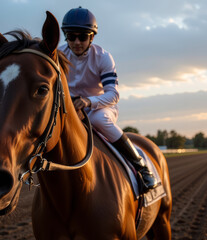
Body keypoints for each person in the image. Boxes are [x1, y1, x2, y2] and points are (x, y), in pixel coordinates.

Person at [58, 7, 158, 192]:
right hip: (70, 108)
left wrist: (88, 101)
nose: (77, 42)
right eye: (71, 37)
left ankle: (141, 167)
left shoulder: (103, 57)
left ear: (92, 38)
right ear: (66, 37)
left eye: (83, 37)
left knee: (97, 120)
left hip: (101, 107)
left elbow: (114, 94)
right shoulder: (58, 56)